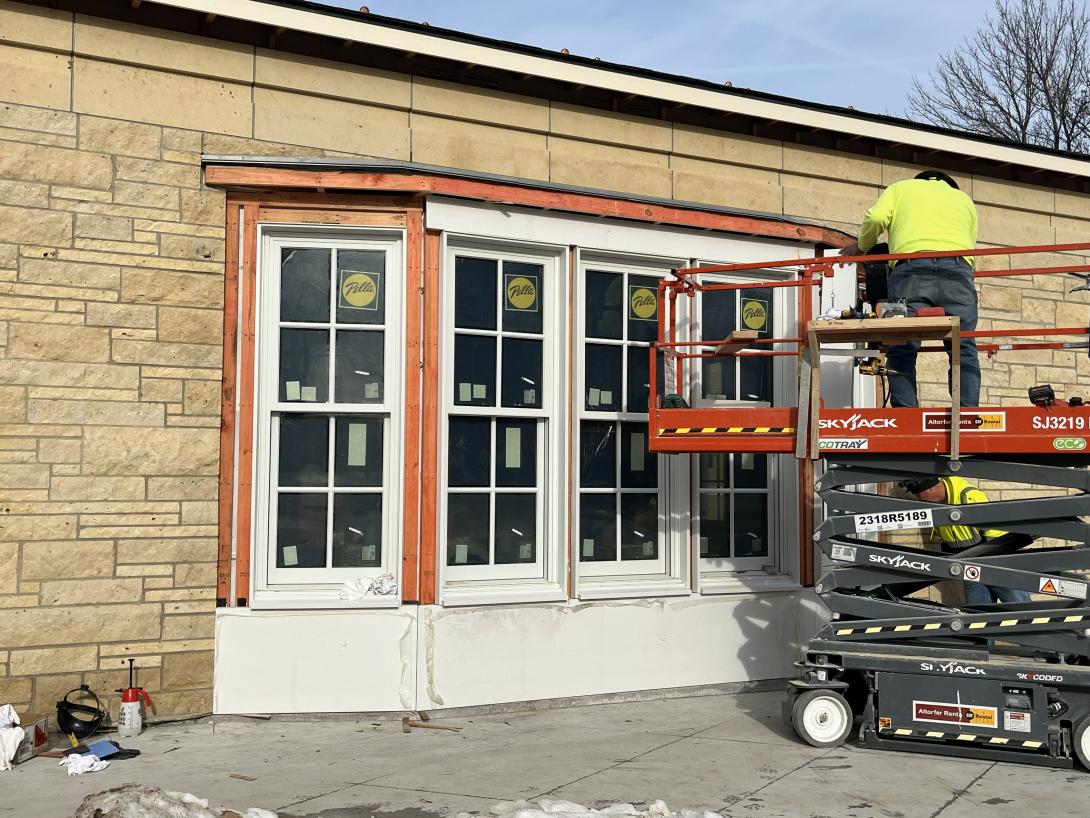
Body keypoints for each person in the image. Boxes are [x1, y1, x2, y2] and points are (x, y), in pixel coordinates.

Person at [841, 170, 980, 408]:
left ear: (919, 180)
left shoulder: (900, 189)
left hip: (912, 271)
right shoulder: (964, 199)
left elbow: (876, 219)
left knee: (902, 345)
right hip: (958, 274)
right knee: (963, 347)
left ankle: (906, 415)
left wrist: (863, 246)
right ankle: (967, 415)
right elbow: (970, 244)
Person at [903, 476, 1030, 605]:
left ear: (930, 490)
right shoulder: (936, 506)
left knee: (1019, 606)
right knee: (978, 612)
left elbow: (997, 533)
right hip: (969, 565)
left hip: (997, 564)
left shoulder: (969, 497)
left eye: (919, 495)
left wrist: (996, 564)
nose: (918, 500)